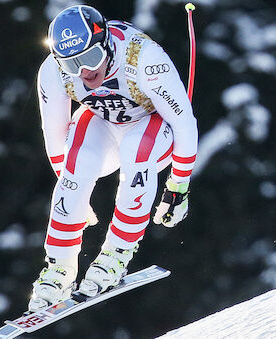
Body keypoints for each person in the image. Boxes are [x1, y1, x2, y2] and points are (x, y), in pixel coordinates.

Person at [29, 4, 198, 312]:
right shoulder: (53, 71)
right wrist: (76, 198)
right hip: (105, 122)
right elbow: (54, 136)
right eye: (72, 64)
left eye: (91, 58)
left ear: (105, 42)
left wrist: (178, 187)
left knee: (136, 151)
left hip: (153, 126)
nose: (85, 72)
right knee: (76, 162)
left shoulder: (143, 59)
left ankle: (116, 254)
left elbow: (184, 121)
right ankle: (58, 269)